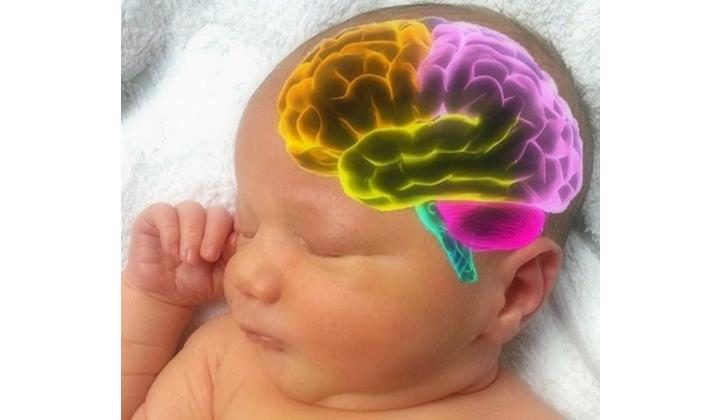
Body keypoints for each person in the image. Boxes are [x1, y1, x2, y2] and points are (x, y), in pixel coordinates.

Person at [122, 4, 593, 419]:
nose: (244, 273)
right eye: (248, 229)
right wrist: (154, 301)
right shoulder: (226, 363)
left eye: (324, 248)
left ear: (513, 291)